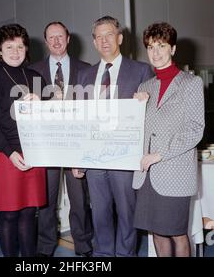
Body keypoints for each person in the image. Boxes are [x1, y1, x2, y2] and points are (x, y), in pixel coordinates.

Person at [73, 16, 153, 257]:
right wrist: (78, 158)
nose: (104, 40)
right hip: (94, 156)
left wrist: (146, 103)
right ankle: (104, 255)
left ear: (119, 38)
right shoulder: (85, 75)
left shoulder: (141, 71)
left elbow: (154, 114)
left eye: (109, 35)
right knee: (99, 211)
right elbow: (80, 118)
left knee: (127, 211)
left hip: (125, 156)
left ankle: (126, 254)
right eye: (99, 36)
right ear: (94, 42)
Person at [132, 22, 205, 257]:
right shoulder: (145, 87)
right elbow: (137, 129)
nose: (156, 52)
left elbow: (195, 129)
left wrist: (159, 154)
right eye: (151, 47)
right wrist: (135, 108)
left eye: (161, 45)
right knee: (156, 232)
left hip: (174, 172)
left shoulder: (191, 84)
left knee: (176, 233)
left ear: (172, 49)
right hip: (147, 175)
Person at [29, 21, 93, 257]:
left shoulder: (86, 69)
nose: (56, 41)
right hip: (48, 145)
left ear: (68, 39)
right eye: (51, 38)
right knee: (45, 200)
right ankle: (45, 247)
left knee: (79, 200)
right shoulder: (33, 71)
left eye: (60, 36)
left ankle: (83, 245)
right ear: (46, 42)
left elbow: (92, 110)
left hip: (76, 144)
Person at [0, 24, 46, 257]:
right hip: (6, 155)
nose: (15, 51)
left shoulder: (36, 77)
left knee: (30, 212)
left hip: (35, 153)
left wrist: (44, 104)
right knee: (10, 214)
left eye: (20, 46)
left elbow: (54, 119)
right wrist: (11, 152)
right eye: (9, 46)